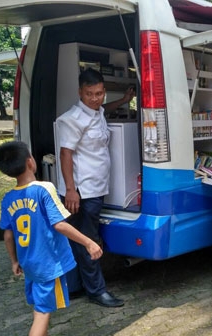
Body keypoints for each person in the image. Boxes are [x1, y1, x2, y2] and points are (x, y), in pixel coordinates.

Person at [0, 141, 103, 336]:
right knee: (42, 313)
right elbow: (59, 224)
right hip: (48, 264)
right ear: (30, 162)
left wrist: (14, 261)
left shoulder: (7, 198)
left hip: (29, 264)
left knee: (39, 307)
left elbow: (8, 234)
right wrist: (89, 242)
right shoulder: (44, 189)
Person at [56, 68, 134, 307]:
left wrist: (123, 101)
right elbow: (65, 153)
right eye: (89, 94)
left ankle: (77, 287)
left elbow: (103, 110)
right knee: (88, 240)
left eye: (99, 93)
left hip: (96, 188)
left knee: (79, 240)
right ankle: (97, 291)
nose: (95, 98)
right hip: (82, 192)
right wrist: (71, 190)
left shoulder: (97, 110)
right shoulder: (72, 119)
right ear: (80, 92)